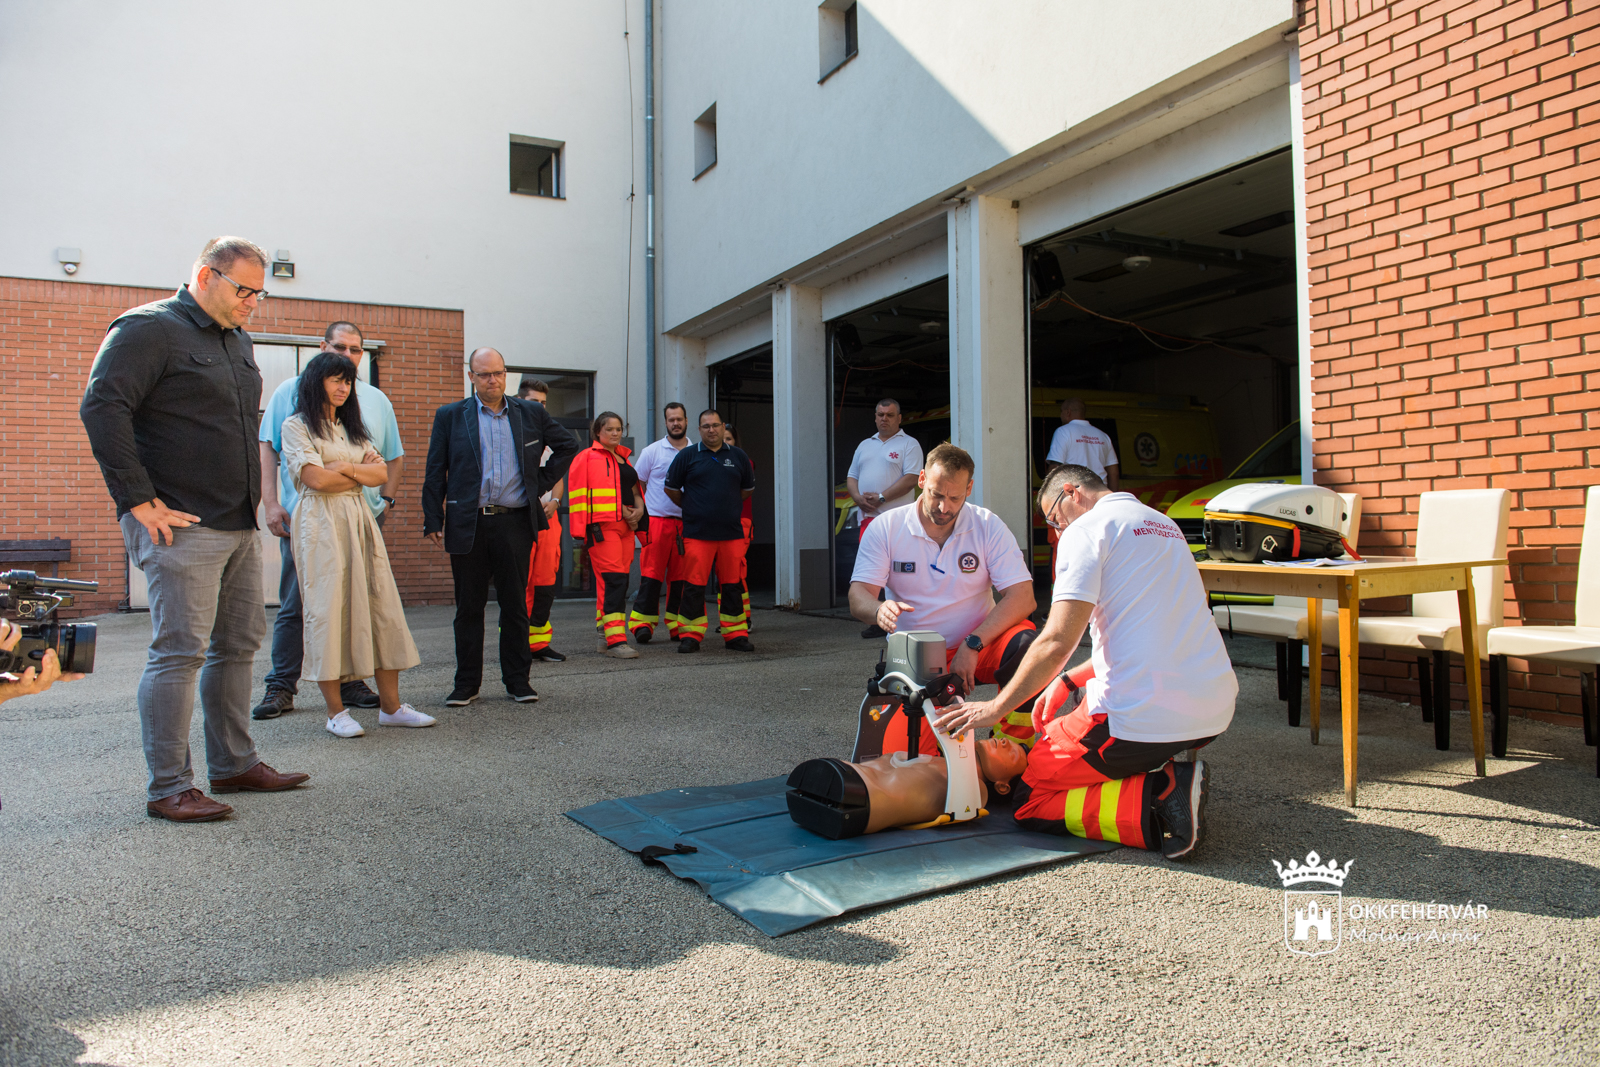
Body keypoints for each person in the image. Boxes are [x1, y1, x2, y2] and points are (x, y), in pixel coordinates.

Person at [80, 235, 310, 823]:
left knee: (236, 647)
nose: (253, 303)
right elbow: (103, 407)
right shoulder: (146, 329)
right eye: (244, 290)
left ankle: (233, 763)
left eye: (260, 292)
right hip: (179, 525)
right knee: (180, 653)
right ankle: (168, 788)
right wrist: (138, 500)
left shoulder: (237, 339)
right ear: (206, 277)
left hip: (234, 522)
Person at [934, 464, 1237, 859]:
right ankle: (1156, 773)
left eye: (1054, 520)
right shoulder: (1163, 525)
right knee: (1067, 735)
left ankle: (1162, 792)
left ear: (1072, 493)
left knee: (1031, 797)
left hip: (1141, 717)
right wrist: (1067, 681)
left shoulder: (1087, 530)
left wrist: (994, 708)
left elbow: (1057, 640)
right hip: (1214, 709)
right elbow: (1151, 633)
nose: (1057, 532)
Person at [252, 322, 405, 720]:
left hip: (362, 515)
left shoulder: (371, 402)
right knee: (305, 605)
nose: (349, 357)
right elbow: (288, 461)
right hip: (310, 518)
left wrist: (376, 492)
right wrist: (270, 503)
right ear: (323, 348)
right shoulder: (291, 397)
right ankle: (282, 685)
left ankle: (353, 682)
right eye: (341, 348)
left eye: (356, 350)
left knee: (365, 603)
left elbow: (387, 462)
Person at [848, 442, 1039, 752]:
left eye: (955, 497)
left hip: (979, 646)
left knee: (1028, 646)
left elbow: (1023, 597)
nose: (944, 507)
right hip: (918, 659)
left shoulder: (987, 525)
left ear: (969, 488)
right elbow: (858, 597)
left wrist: (973, 642)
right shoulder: (886, 527)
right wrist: (879, 609)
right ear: (922, 479)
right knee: (904, 762)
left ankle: (1014, 749)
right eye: (936, 494)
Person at [280, 352, 432, 737]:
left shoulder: (355, 429)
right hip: (319, 524)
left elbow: (381, 473)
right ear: (316, 383)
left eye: (347, 380)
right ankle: (336, 712)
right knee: (327, 608)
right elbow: (314, 480)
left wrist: (344, 469)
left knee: (381, 604)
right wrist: (356, 475)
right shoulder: (296, 426)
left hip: (359, 520)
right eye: (335, 379)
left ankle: (391, 707)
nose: (343, 387)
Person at [422, 347, 580, 706]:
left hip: (514, 523)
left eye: (498, 373)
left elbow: (568, 445)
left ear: (505, 374)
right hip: (468, 524)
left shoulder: (530, 412)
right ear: (471, 377)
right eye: (484, 374)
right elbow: (436, 469)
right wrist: (433, 515)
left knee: (514, 607)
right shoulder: (450, 416)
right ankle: (466, 685)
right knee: (468, 609)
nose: (492, 380)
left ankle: (518, 681)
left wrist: (536, 482)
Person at [663, 409, 755, 653]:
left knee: (732, 585)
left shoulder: (739, 456)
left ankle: (735, 635)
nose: (712, 430)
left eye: (716, 425)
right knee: (693, 586)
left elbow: (746, 490)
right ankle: (691, 635)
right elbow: (671, 488)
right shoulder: (687, 456)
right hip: (697, 533)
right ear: (699, 429)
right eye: (706, 426)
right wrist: (692, 506)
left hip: (731, 533)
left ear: (723, 427)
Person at [566, 411, 647, 659]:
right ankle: (616, 641)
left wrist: (639, 509)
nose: (615, 433)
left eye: (618, 429)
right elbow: (579, 495)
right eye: (609, 429)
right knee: (615, 581)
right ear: (597, 432)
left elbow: (634, 490)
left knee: (611, 582)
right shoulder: (586, 458)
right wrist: (616, 511)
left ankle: (604, 637)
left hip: (625, 528)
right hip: (601, 528)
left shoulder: (624, 459)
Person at [628, 402, 692, 643]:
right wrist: (640, 508)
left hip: (686, 525)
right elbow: (637, 482)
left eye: (679, 419)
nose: (675, 423)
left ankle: (678, 625)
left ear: (686, 421)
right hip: (657, 522)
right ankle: (642, 624)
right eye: (671, 420)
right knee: (651, 577)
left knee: (681, 579)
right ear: (666, 423)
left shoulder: (697, 451)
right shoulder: (652, 451)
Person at [518, 379, 570, 663]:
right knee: (520, 585)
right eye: (534, 402)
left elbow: (558, 479)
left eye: (543, 403)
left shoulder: (548, 437)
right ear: (519, 400)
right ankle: (517, 645)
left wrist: (555, 502)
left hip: (549, 520)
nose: (540, 408)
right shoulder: (513, 433)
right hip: (521, 520)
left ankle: (539, 644)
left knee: (545, 584)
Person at [1044, 398, 1119, 490]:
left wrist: (1048, 495)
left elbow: (1055, 467)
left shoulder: (1063, 432)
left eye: (1061, 412)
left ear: (1068, 412)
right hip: (1101, 492)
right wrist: (1111, 499)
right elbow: (1114, 473)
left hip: (1076, 495)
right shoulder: (1103, 436)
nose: (1060, 415)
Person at [721, 422, 754, 628]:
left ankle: (744, 618)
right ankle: (728, 619)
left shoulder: (744, 462)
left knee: (736, 572)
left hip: (740, 522)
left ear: (736, 441)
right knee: (722, 572)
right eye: (722, 439)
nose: (725, 443)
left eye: (729, 439)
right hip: (721, 523)